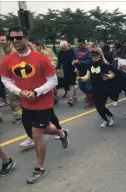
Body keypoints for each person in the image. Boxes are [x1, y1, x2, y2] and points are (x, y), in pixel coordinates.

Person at [0, 27, 69, 184]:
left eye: (19, 38)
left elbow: (53, 80)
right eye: (12, 39)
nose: (15, 41)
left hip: (43, 101)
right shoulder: (7, 60)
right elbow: (6, 79)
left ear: (26, 38)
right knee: (38, 131)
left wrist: (36, 92)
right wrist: (19, 91)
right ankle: (62, 133)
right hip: (26, 103)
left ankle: (39, 168)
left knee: (37, 134)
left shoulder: (40, 59)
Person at [77, 47, 116, 127]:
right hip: (95, 88)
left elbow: (113, 74)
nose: (94, 55)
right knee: (98, 107)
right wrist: (81, 79)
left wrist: (108, 76)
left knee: (101, 105)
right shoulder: (91, 64)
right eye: (93, 53)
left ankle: (111, 116)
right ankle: (106, 119)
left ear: (100, 54)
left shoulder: (104, 64)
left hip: (104, 88)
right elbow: (87, 76)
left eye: (96, 53)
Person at [73, 39, 93, 108]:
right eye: (78, 44)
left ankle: (90, 101)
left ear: (84, 44)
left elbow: (89, 61)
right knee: (81, 86)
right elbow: (74, 59)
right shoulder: (76, 51)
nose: (79, 46)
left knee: (88, 86)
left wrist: (79, 62)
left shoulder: (89, 50)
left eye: (81, 44)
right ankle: (90, 97)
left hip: (88, 70)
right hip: (80, 70)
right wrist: (74, 62)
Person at [56, 40, 77, 106]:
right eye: (62, 48)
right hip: (65, 69)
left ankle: (71, 99)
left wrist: (74, 61)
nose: (63, 49)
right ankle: (74, 96)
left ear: (67, 46)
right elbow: (59, 61)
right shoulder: (60, 53)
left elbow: (75, 58)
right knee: (70, 83)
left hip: (73, 68)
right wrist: (58, 68)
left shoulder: (72, 51)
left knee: (72, 83)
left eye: (64, 48)